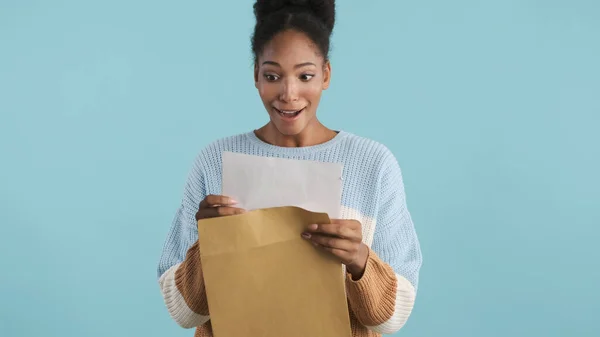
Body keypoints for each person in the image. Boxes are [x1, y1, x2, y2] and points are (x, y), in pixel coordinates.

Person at [156, 0, 422, 336]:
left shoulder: (372, 164)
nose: (288, 93)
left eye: (305, 75)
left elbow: (393, 318)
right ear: (256, 76)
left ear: (326, 75)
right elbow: (183, 313)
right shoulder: (215, 161)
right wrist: (207, 246)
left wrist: (360, 261)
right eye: (272, 76)